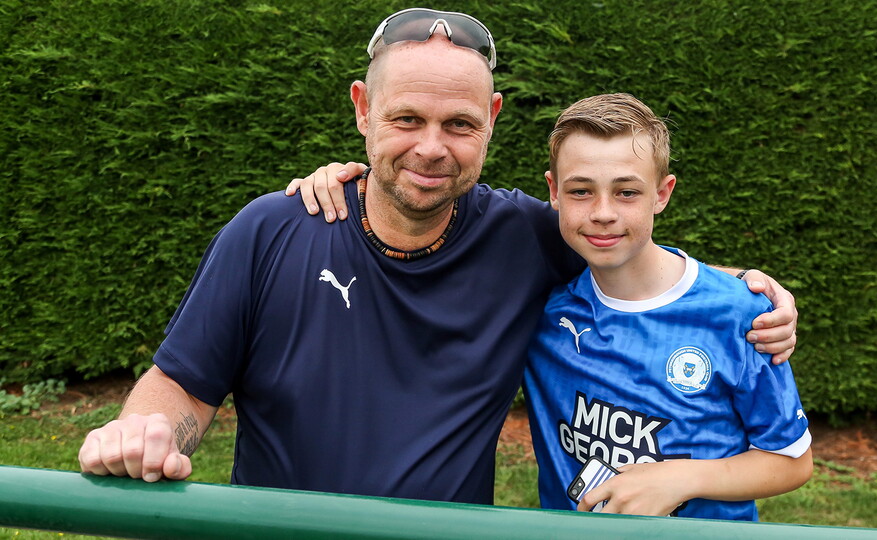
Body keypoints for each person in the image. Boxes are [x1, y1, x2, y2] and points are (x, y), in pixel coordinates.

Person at [78, 9, 797, 505]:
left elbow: (622, 246)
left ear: (492, 120)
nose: (430, 147)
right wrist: (148, 431)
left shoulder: (527, 237)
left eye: (458, 123)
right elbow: (181, 383)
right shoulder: (272, 230)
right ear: (362, 110)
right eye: (405, 119)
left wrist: (744, 291)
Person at [523, 93, 812, 520]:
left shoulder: (740, 314)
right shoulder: (542, 312)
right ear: (554, 191)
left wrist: (682, 478)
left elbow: (791, 459)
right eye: (581, 191)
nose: (603, 213)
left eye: (626, 192)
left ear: (662, 193)